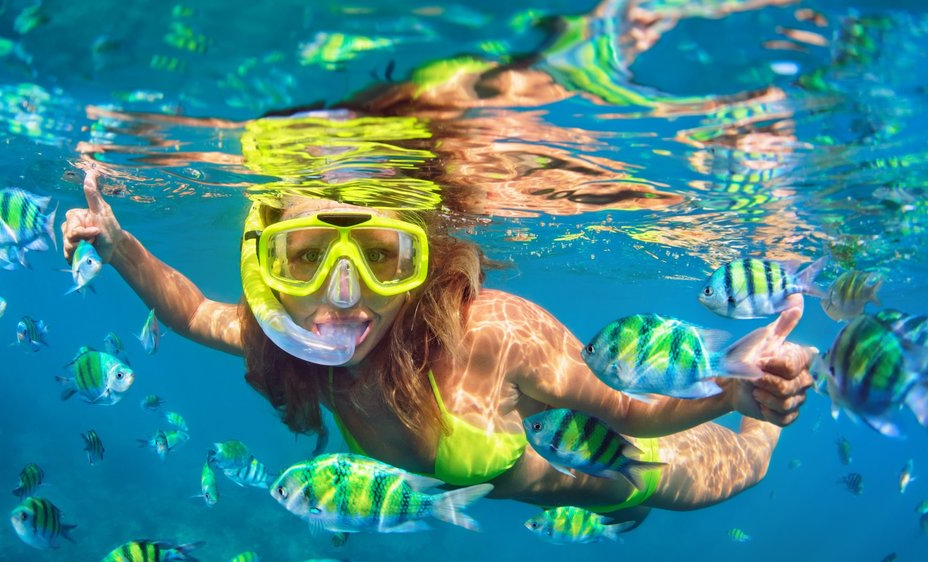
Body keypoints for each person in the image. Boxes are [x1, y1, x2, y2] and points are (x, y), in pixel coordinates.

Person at [63, 0, 815, 526]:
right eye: (307, 256)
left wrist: (735, 398)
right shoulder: (282, 337)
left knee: (745, 465)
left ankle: (776, 381)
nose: (343, 294)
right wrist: (115, 239)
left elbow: (627, 409)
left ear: (421, 262)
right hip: (531, 476)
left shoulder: (489, 333)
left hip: (619, 476)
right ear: (269, 260)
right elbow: (192, 312)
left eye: (384, 256)